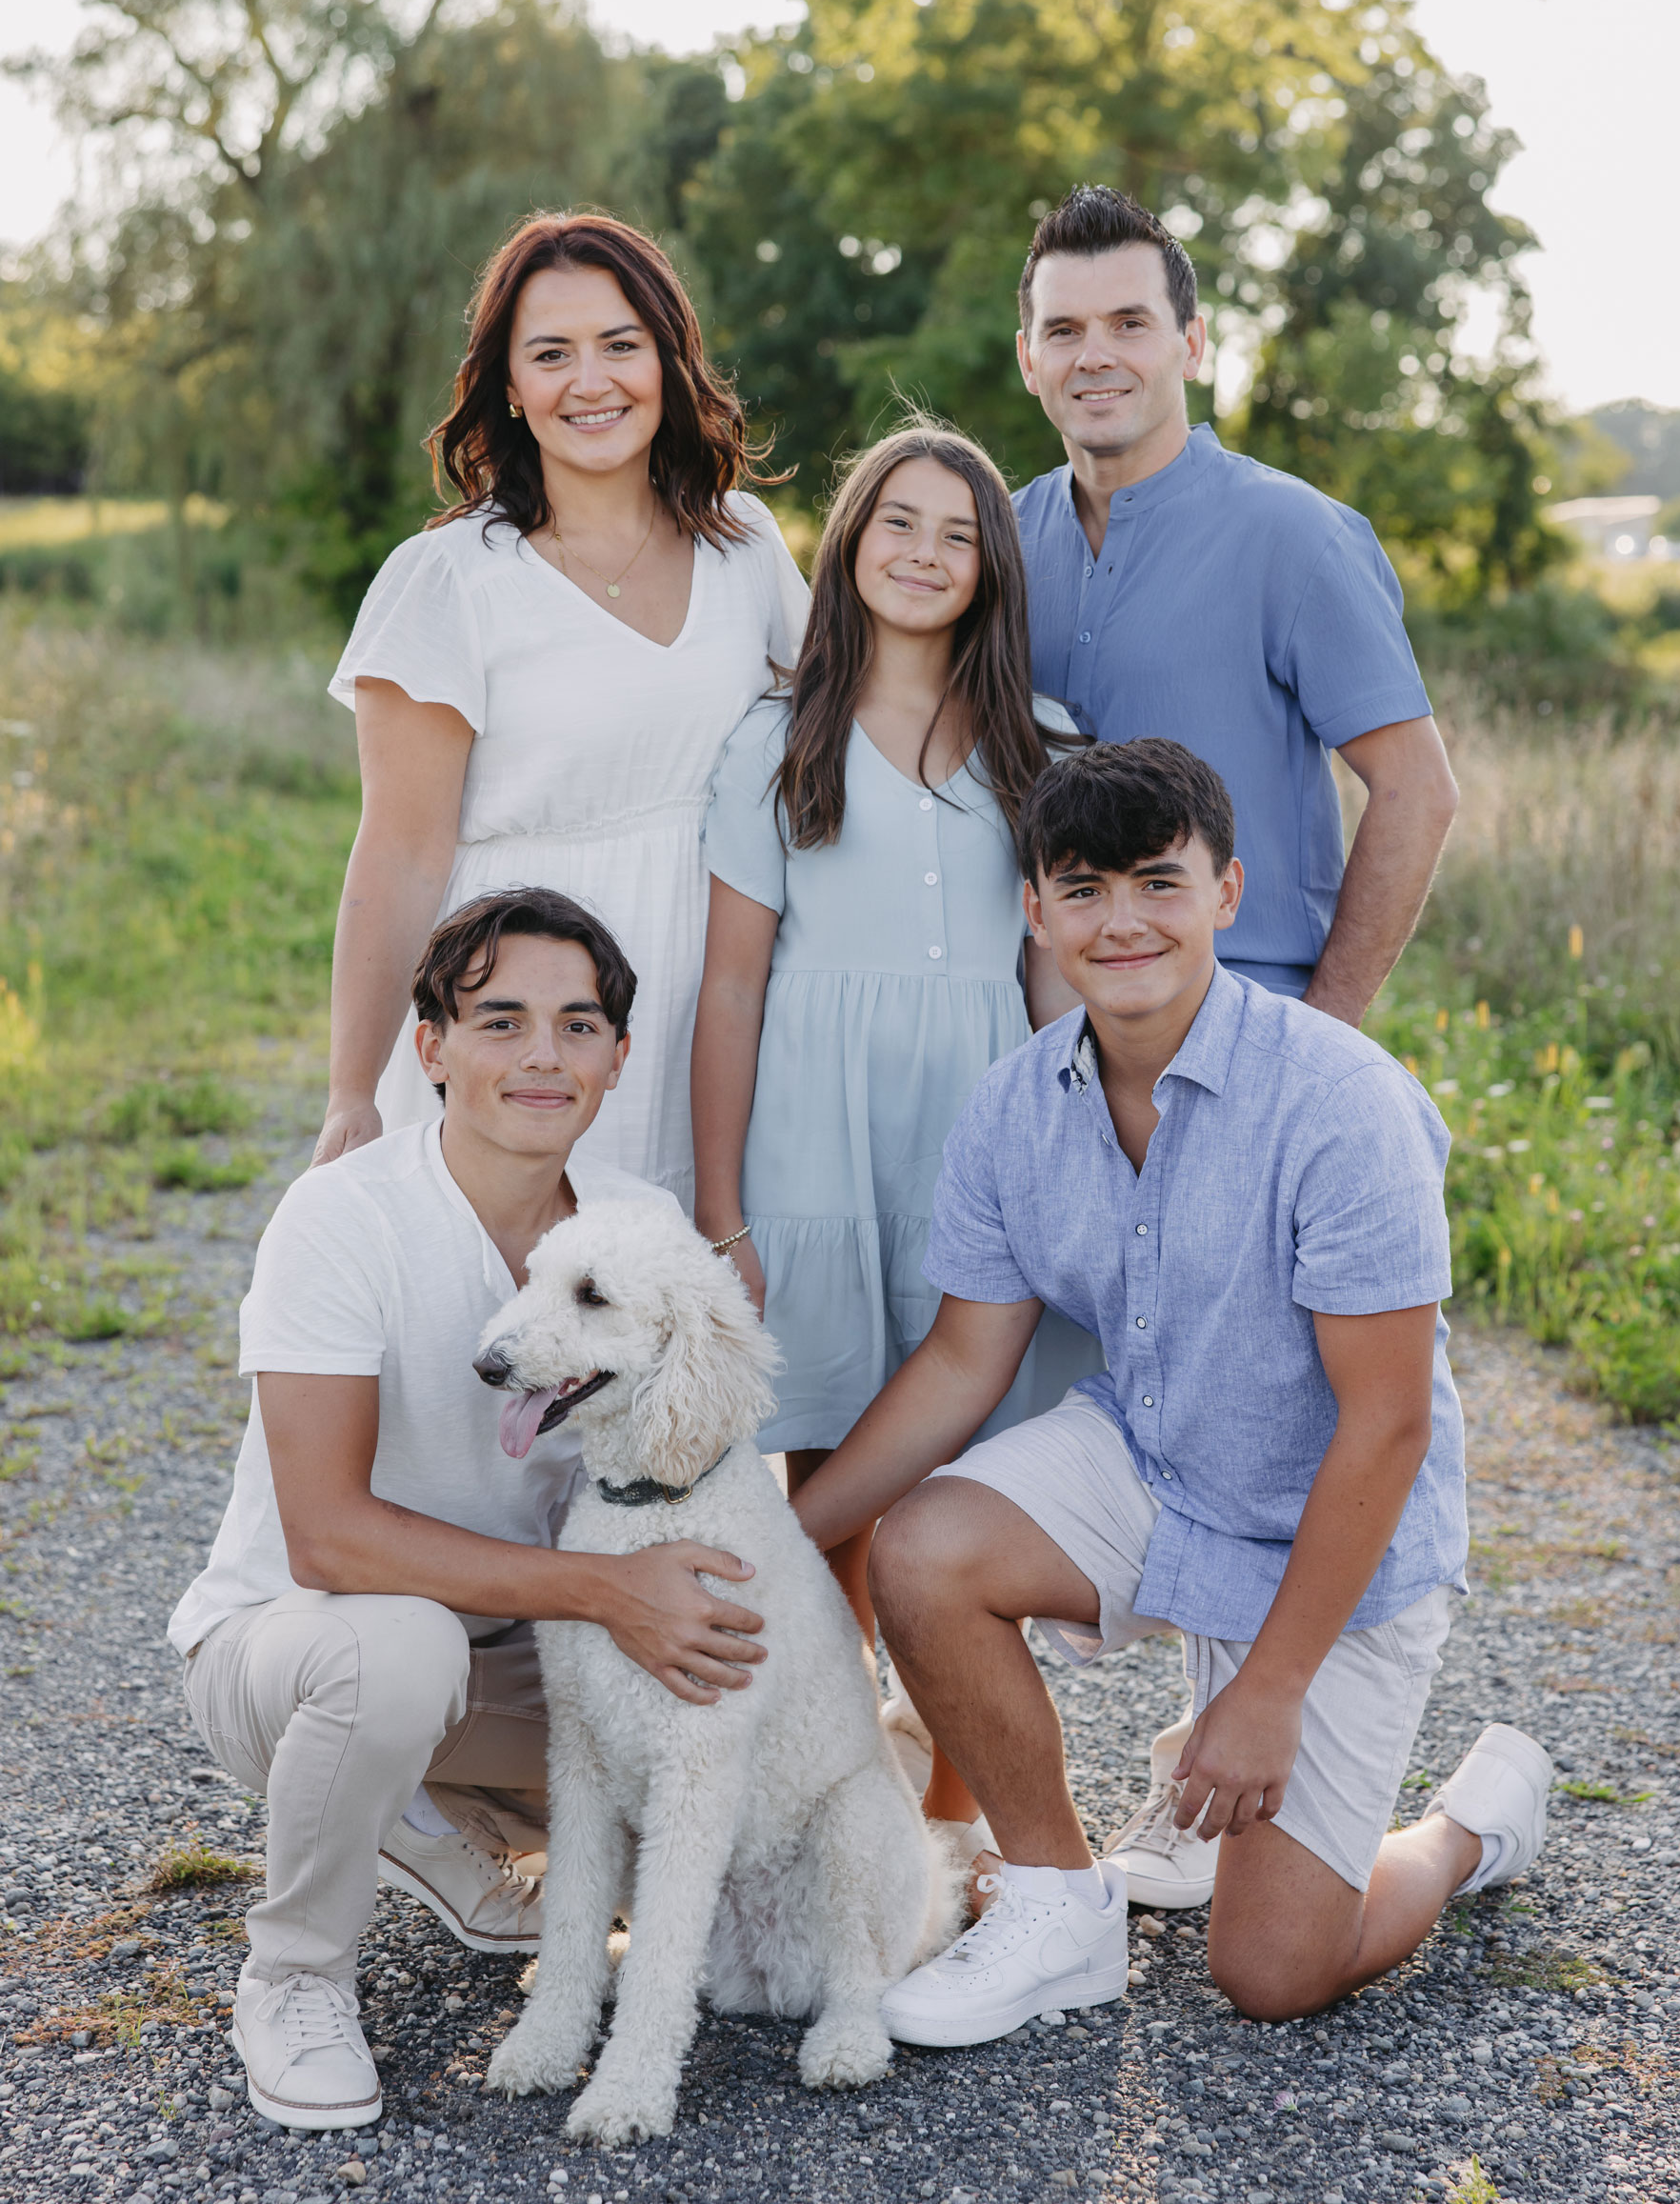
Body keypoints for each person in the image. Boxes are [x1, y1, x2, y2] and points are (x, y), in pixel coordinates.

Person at [791, 740, 1551, 2042]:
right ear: (1036, 912)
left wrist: (1268, 1690)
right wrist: (783, 1539)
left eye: (1159, 882)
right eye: (1084, 889)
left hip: (1330, 1533)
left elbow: (1388, 1425)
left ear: (1226, 893)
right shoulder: (1014, 1106)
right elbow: (963, 1363)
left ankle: (1471, 1827)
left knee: (1273, 1972)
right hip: (1158, 1467)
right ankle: (1056, 1906)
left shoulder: (1343, 1103)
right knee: (922, 1550)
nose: (1124, 921)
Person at [1011, 185, 1463, 1904]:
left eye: (1131, 321)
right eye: (1064, 326)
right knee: (1126, 1412)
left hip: (1256, 1049)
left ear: (1193, 343)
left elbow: (1414, 790)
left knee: (1291, 1424)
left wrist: (1319, 1047)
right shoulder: (1006, 539)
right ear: (1028, 355)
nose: (1098, 354)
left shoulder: (1291, 536)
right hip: (1070, 1066)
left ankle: (1305, 1766)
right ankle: (1060, 1787)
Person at [169, 890, 769, 2130]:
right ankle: (295, 1978)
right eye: (502, 1021)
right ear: (432, 1048)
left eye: (578, 1025)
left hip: (526, 1657)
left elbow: (701, 1489)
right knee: (401, 1653)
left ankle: (436, 1816)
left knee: (761, 1768)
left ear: (617, 1056)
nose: (544, 1054)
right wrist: (609, 1592)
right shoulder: (341, 1215)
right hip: (302, 1647)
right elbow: (329, 1536)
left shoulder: (638, 1228)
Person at [690, 421, 1102, 1874]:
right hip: (815, 1143)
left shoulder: (1041, 743)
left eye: (957, 535)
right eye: (897, 525)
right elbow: (730, 986)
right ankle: (833, 1784)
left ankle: (956, 1818)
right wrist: (724, 1210)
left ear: (991, 570)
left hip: (976, 1133)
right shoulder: (776, 737)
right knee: (832, 1467)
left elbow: (1055, 983)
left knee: (964, 1470)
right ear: (851, 545)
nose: (924, 555)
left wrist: (1086, 1168)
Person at [313, 211, 809, 1207]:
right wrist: (351, 1094)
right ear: (509, 384)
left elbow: (842, 736)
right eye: (551, 354)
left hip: (707, 1004)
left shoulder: (745, 545)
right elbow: (400, 854)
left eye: (621, 345)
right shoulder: (448, 579)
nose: (591, 382)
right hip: (521, 1009)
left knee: (674, 1278)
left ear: (668, 360)